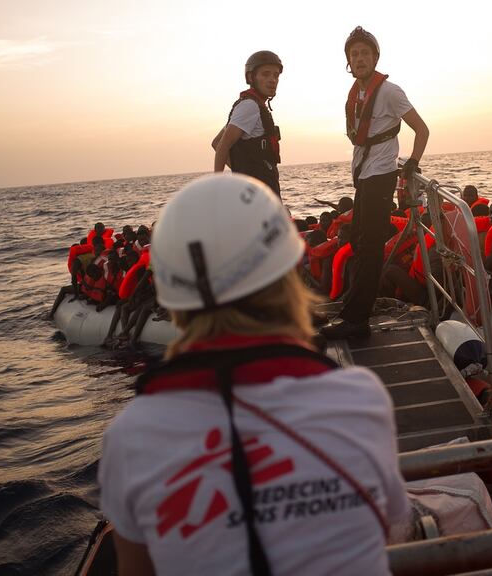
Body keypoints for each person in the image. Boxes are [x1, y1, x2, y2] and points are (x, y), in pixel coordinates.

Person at [99, 174, 408, 576]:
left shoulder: (130, 436)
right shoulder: (361, 397)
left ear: (172, 297)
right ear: (289, 274)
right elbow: (389, 528)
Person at [321, 26, 430, 340]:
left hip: (382, 174)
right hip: (363, 174)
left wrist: (411, 164)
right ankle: (354, 306)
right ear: (348, 61)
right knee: (358, 241)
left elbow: (421, 130)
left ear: (375, 57)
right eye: (354, 54)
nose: (359, 58)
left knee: (369, 247)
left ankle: (357, 321)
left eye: (364, 53)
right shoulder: (357, 93)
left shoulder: (390, 91)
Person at [212, 51, 283, 195]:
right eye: (265, 74)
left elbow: (216, 142)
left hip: (256, 190)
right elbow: (222, 145)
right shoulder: (250, 106)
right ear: (251, 77)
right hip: (259, 193)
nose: (272, 80)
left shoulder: (252, 105)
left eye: (276, 75)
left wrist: (242, 174)